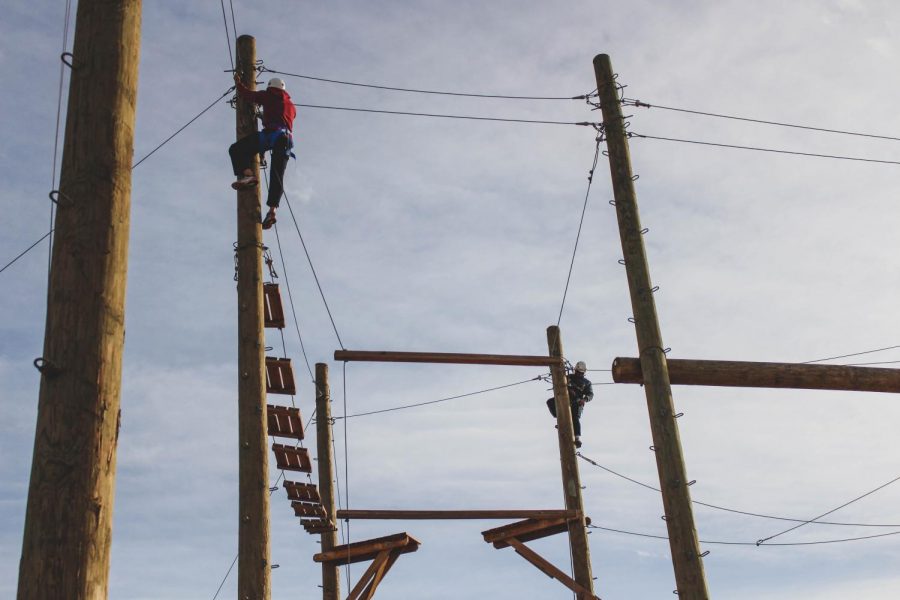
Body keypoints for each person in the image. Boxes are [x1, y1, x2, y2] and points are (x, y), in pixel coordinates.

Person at [228, 74, 297, 229]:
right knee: (277, 175)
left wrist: (239, 84)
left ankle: (248, 175)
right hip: (286, 139)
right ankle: (272, 211)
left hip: (270, 136)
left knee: (236, 149)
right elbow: (280, 116)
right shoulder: (292, 107)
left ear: (271, 88)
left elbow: (248, 95)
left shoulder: (268, 96)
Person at [546, 361, 594, 448]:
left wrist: (584, 399)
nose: (579, 374)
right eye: (578, 372)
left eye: (581, 373)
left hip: (577, 402)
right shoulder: (568, 377)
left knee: (575, 417)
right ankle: (561, 420)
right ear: (575, 370)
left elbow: (590, 394)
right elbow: (559, 382)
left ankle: (577, 438)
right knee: (550, 402)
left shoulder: (587, 383)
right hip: (565, 399)